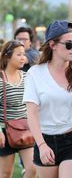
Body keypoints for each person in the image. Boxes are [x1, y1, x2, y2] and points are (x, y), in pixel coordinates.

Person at [23, 20, 72, 178]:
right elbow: (31, 113)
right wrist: (41, 145)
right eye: (69, 44)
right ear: (52, 45)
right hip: (45, 139)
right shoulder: (35, 73)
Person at [0, 40, 36, 178]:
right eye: (19, 54)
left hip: (25, 129)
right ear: (8, 56)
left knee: (32, 169)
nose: (23, 58)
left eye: (24, 54)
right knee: (5, 174)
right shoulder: (1, 78)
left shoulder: (27, 77)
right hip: (4, 132)